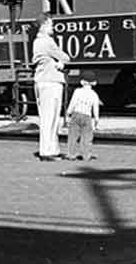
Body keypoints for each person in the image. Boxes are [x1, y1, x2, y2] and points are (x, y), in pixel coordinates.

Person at [31, 14, 68, 160]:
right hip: (50, 81)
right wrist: (61, 62)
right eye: (51, 24)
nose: (53, 27)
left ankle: (52, 150)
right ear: (44, 25)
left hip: (46, 80)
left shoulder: (38, 42)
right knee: (50, 118)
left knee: (50, 118)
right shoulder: (47, 42)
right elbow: (65, 57)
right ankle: (47, 152)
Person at [65, 69, 102, 161]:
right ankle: (86, 155)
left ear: (82, 82)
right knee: (86, 137)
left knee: (73, 136)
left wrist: (68, 113)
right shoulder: (94, 95)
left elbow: (72, 103)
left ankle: (71, 154)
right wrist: (96, 121)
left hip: (76, 115)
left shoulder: (77, 91)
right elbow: (95, 109)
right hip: (87, 117)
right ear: (94, 83)